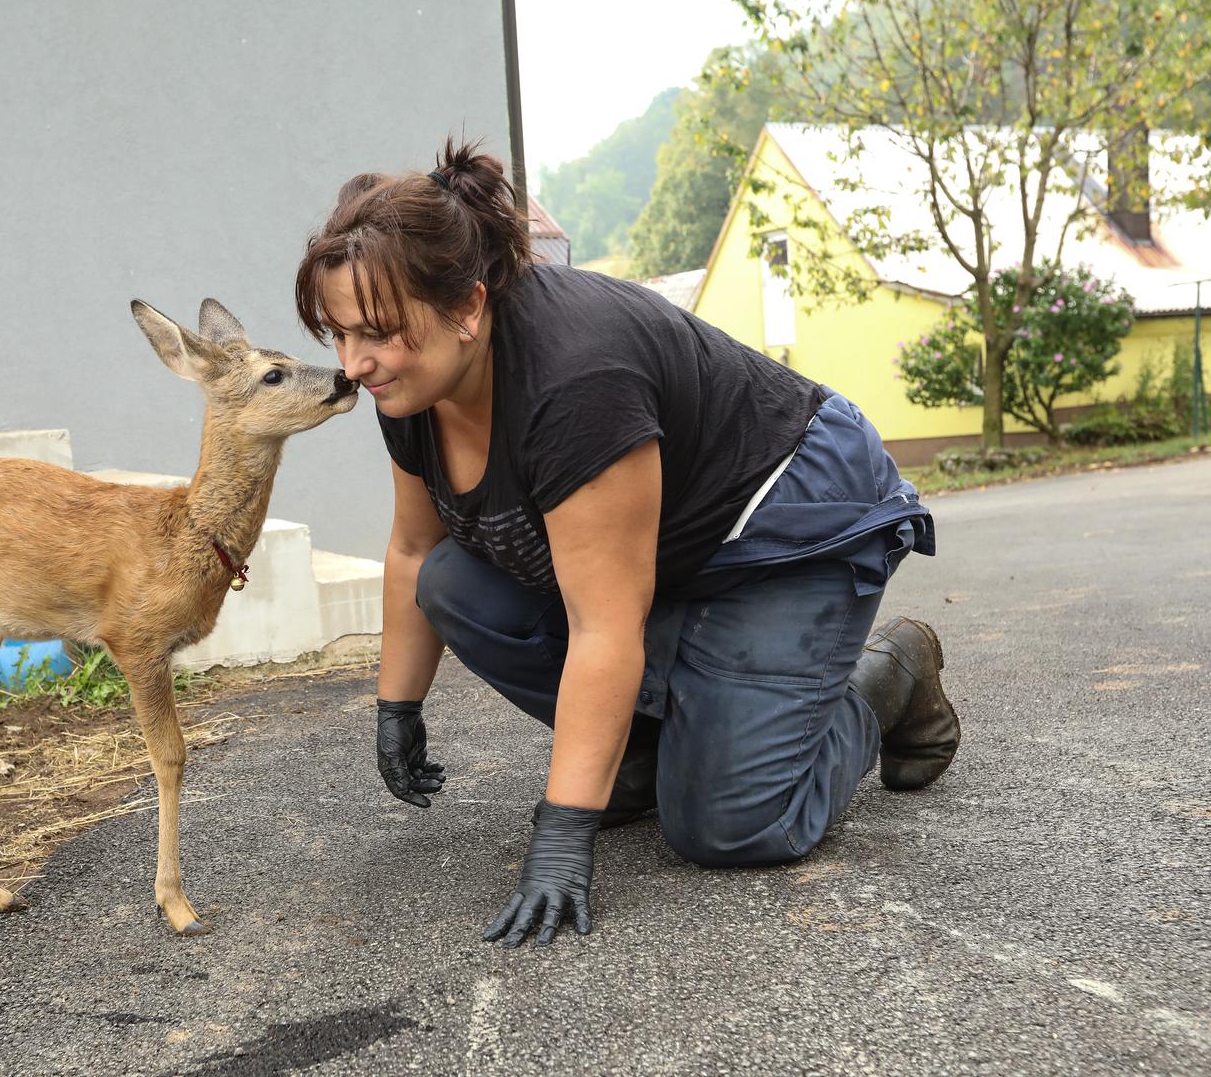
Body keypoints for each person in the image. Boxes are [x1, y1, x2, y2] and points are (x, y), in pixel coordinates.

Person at [293, 138, 960, 950]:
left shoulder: (575, 381)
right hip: (664, 549)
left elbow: (607, 623)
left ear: (468, 308)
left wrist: (561, 834)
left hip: (782, 519)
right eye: (336, 332)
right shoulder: (412, 390)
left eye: (375, 334)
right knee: (453, 582)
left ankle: (882, 678)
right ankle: (643, 757)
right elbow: (411, 553)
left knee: (730, 825)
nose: (352, 364)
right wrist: (395, 709)